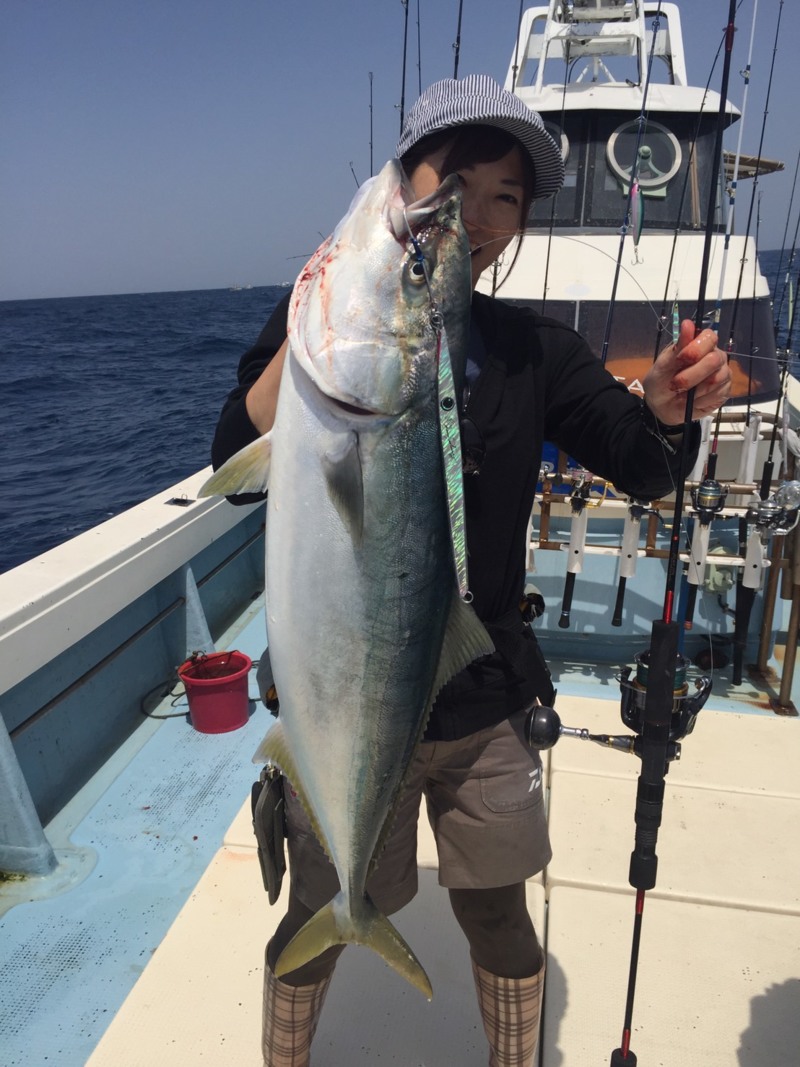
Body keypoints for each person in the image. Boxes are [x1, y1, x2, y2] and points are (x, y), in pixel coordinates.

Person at [211, 74, 731, 1067]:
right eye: (454, 188)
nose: (480, 219)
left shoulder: (535, 349)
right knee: (320, 898)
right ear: (403, 180)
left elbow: (644, 462)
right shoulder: (330, 336)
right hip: (337, 705)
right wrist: (310, 316)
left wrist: (667, 411)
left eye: (506, 199)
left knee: (495, 908)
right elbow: (233, 457)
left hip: (483, 695)